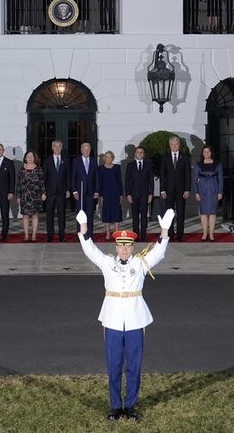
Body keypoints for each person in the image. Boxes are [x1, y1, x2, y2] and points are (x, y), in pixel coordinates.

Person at [76, 207, 175, 422]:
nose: (123, 250)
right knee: (113, 365)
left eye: (127, 246)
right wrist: (83, 228)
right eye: (120, 246)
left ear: (132, 247)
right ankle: (114, 406)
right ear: (116, 246)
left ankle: (130, 405)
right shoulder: (108, 263)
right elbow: (90, 251)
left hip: (135, 319)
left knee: (134, 365)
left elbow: (158, 253)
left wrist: (165, 231)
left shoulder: (139, 263)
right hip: (112, 319)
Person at [159, 135, 191, 242]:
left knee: (181, 213)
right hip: (168, 190)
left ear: (179, 145)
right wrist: (162, 190)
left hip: (182, 190)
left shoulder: (184, 157)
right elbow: (162, 175)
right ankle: (170, 234)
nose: (174, 146)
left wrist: (187, 189)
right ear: (169, 145)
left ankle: (180, 235)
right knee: (169, 213)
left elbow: (188, 174)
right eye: (172, 144)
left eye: (176, 144)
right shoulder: (165, 157)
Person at [193, 145, 223, 241]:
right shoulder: (198, 165)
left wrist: (220, 192)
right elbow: (194, 180)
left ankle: (211, 234)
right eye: (205, 151)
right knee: (204, 213)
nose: (206, 153)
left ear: (211, 153)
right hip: (202, 191)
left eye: (208, 151)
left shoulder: (218, 164)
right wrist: (196, 192)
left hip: (214, 190)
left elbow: (221, 179)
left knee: (213, 213)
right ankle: (205, 233)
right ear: (202, 153)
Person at [124, 146, 153, 242]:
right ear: (135, 154)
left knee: (144, 216)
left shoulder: (148, 165)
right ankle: (135, 236)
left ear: (143, 154)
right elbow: (127, 181)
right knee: (135, 217)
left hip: (145, 194)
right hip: (133, 194)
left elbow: (151, 181)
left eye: (141, 152)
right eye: (138, 152)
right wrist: (128, 194)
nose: (140, 154)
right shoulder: (130, 165)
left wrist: (151, 194)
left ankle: (144, 236)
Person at [43, 139, 71, 242]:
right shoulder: (47, 160)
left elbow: (68, 176)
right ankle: (50, 234)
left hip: (62, 192)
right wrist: (43, 191)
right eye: (55, 146)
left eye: (59, 146)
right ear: (52, 147)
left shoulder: (66, 160)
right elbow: (44, 177)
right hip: (50, 192)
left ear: (61, 147)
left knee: (61, 215)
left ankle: (61, 235)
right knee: (49, 214)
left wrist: (68, 189)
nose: (57, 148)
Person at [71, 141, 100, 239]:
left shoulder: (93, 161)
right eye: (84, 149)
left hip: (91, 193)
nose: (86, 151)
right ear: (81, 150)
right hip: (80, 192)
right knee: (80, 214)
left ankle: (89, 235)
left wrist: (97, 191)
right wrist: (74, 191)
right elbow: (73, 177)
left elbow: (97, 178)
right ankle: (80, 234)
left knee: (90, 214)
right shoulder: (76, 161)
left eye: (88, 149)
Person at [16, 149, 46, 242]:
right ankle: (26, 235)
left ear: (34, 158)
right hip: (24, 196)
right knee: (25, 216)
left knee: (35, 216)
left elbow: (42, 182)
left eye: (31, 156)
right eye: (28, 156)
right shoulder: (22, 169)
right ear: (25, 158)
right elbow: (19, 184)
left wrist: (43, 193)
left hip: (36, 196)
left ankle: (33, 235)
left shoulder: (39, 169)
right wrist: (18, 196)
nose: (30, 158)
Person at [98, 151, 124, 240]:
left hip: (115, 192)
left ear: (112, 158)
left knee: (116, 212)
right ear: (104, 158)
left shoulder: (117, 167)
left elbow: (119, 181)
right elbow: (99, 183)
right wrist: (100, 195)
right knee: (106, 213)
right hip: (105, 193)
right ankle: (108, 233)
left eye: (110, 157)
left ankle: (116, 232)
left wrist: (121, 194)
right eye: (107, 157)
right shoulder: (100, 168)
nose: (108, 158)